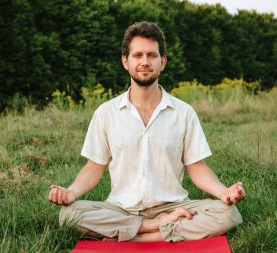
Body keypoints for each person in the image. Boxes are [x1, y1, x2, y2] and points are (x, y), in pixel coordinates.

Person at [48, 21, 245, 242]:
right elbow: (94, 167)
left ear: (163, 61)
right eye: (137, 55)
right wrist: (71, 193)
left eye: (152, 55)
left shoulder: (183, 112)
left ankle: (136, 236)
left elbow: (196, 167)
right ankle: (154, 227)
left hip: (174, 206)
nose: (144, 62)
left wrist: (223, 193)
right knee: (69, 214)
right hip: (121, 208)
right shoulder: (106, 113)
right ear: (125, 61)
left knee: (229, 213)